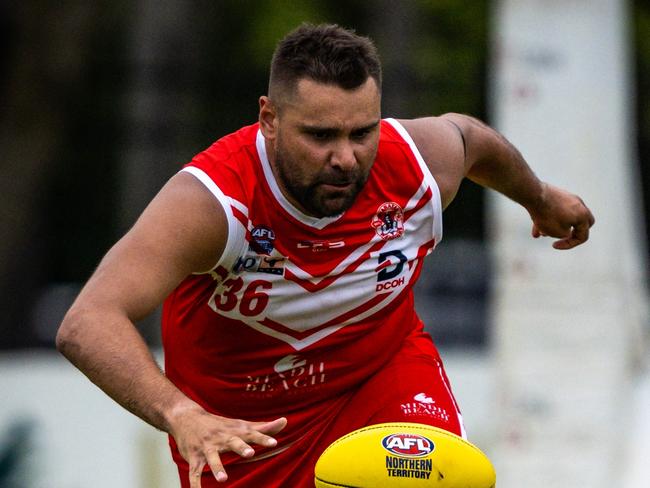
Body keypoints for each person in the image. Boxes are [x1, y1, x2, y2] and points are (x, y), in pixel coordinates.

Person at [56, 23, 595, 487]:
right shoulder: (213, 203)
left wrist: (541, 198)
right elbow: (88, 322)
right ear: (268, 118)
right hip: (245, 430)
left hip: (381, 377)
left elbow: (472, 138)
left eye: (363, 132)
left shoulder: (416, 163)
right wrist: (180, 413)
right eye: (320, 136)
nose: (345, 158)